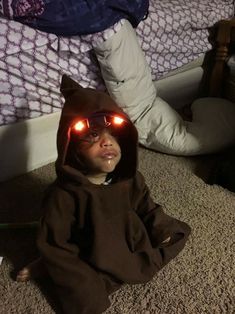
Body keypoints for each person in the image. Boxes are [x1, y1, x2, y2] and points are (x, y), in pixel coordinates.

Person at [17, 75, 191, 314]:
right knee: (84, 287)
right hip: (86, 248)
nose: (107, 142)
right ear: (72, 149)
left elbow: (145, 207)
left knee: (175, 235)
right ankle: (44, 265)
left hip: (124, 237)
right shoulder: (63, 196)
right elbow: (58, 245)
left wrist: (161, 229)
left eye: (114, 136)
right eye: (93, 136)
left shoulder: (130, 179)